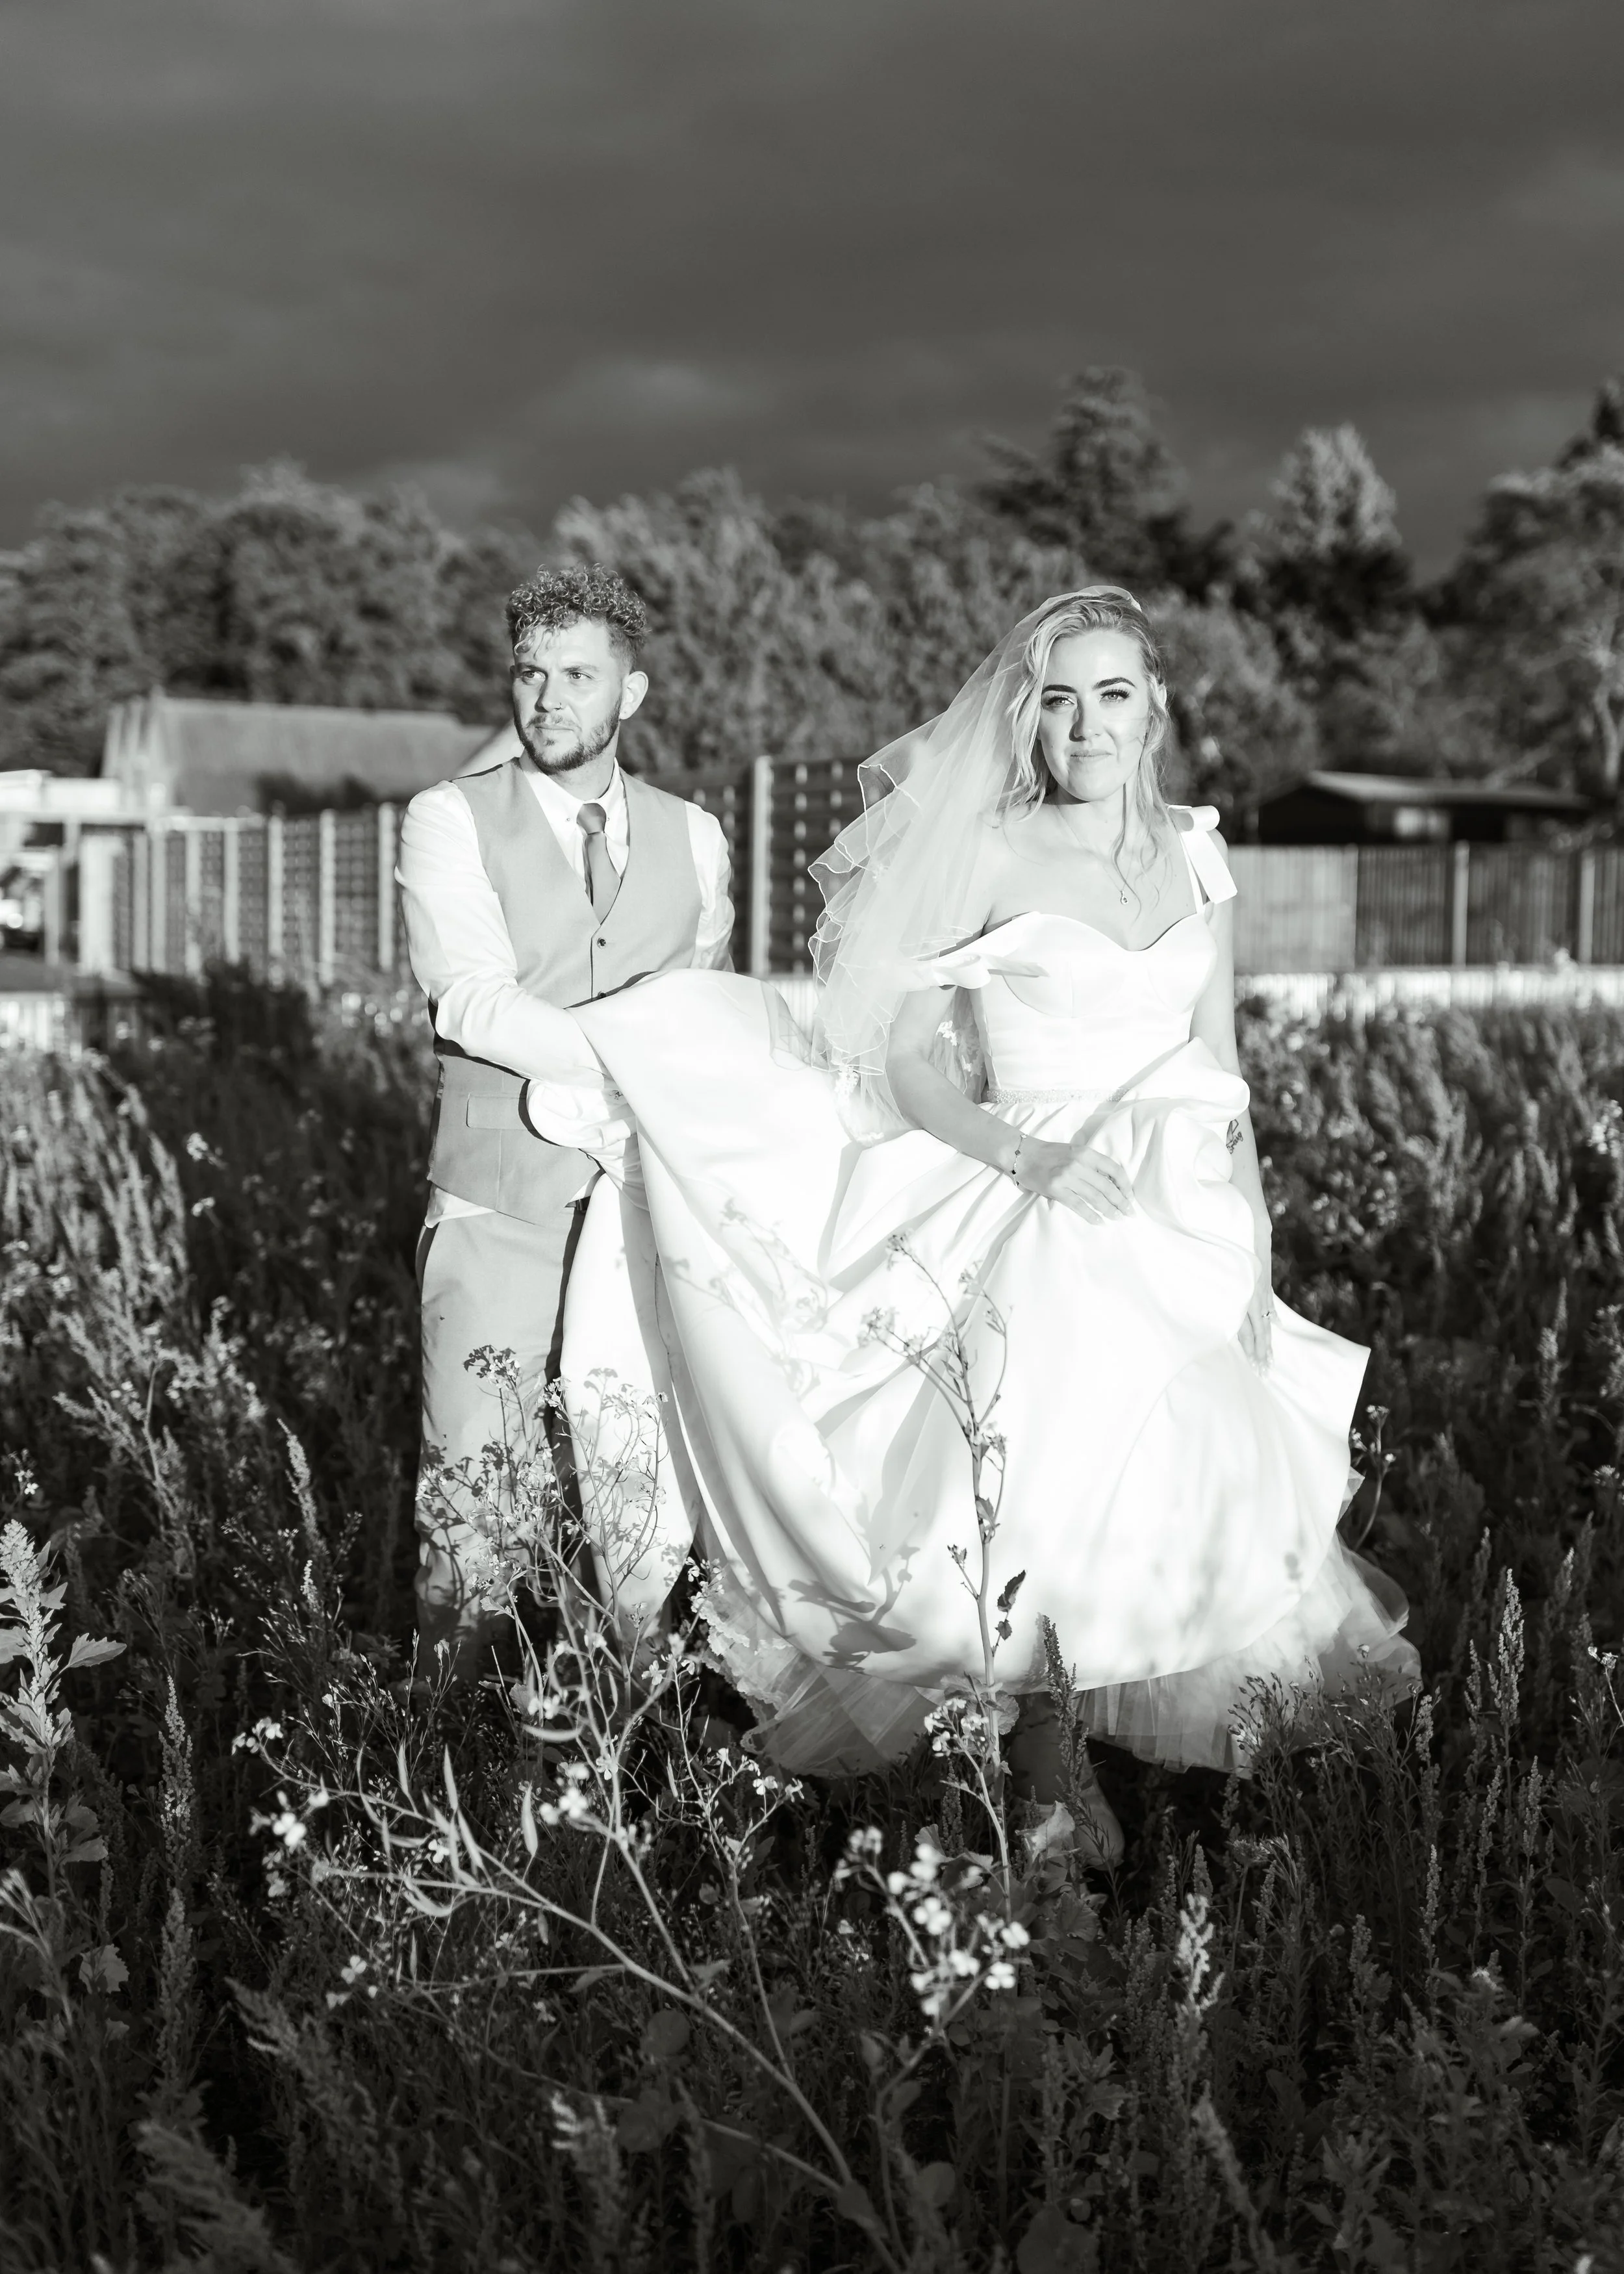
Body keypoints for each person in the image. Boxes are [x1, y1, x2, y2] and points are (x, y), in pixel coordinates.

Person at [524, 587, 1419, 1863]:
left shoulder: (1198, 854)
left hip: (1178, 1206)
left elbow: (1217, 1066)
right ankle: (1047, 1764)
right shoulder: (985, 852)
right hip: (1035, 1186)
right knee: (1038, 1468)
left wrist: (1256, 1243)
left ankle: (1185, 1774)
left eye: (1112, 694)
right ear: (1027, 716)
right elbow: (903, 1060)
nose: (1085, 723)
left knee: (1182, 1481)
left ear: (1154, 705)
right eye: (1057, 699)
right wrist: (1030, 1155)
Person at [398, 563, 732, 1674]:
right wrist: (645, 1051)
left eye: (578, 676)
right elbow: (473, 999)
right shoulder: (448, 819)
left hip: (650, 1213)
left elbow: (704, 1011)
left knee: (641, 1506)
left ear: (630, 695)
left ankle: (627, 1774)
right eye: (530, 674)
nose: (547, 701)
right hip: (499, 1209)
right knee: (475, 1520)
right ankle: (454, 1783)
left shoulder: (698, 839)